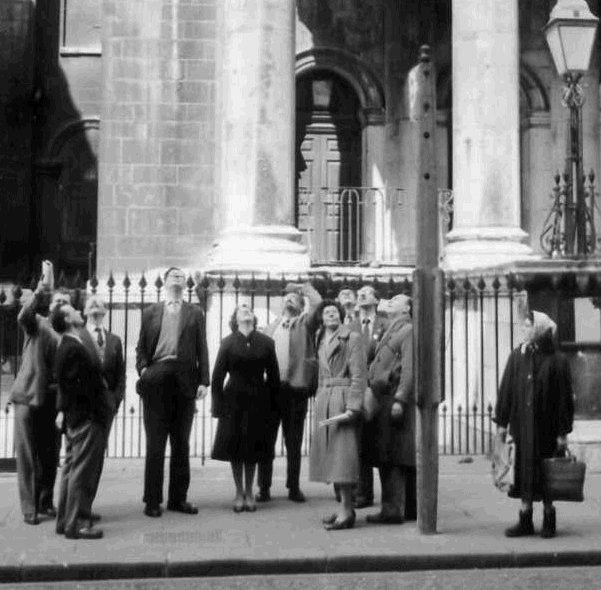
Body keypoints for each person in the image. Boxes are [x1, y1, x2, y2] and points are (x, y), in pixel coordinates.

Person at [135, 267, 210, 517]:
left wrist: (204, 381)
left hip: (185, 380)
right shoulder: (150, 312)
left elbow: (202, 347)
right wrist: (143, 370)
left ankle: (178, 499)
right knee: (155, 444)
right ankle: (152, 500)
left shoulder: (195, 312)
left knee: (181, 444)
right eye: (173, 275)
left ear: (184, 284)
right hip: (157, 377)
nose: (177, 278)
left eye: (181, 276)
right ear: (165, 282)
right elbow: (141, 347)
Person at [494, 310, 574, 539]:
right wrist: (502, 422)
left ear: (539, 329)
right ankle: (525, 518)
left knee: (548, 475)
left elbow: (564, 399)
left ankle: (549, 517)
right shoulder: (518, 356)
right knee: (524, 474)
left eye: (528, 326)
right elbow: (507, 390)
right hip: (523, 428)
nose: (524, 329)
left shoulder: (557, 360)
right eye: (524, 325)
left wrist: (563, 432)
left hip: (547, 429)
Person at [9, 271, 70, 525]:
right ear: (50, 304)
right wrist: (41, 290)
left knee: (50, 455)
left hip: (53, 401)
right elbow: (23, 316)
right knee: (27, 455)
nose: (61, 305)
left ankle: (45, 501)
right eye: (57, 301)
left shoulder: (70, 333)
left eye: (65, 302)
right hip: (28, 396)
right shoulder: (37, 323)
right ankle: (29, 507)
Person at [211, 304, 280, 512]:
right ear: (235, 319)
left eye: (248, 309)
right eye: (241, 310)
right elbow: (217, 377)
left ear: (254, 318)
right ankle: (238, 491)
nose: (246, 310)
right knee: (236, 447)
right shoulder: (227, 343)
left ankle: (250, 491)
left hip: (259, 399)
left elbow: (274, 377)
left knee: (253, 446)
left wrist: (273, 406)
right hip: (234, 400)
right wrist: (217, 406)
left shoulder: (266, 343)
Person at [257, 282, 321, 503]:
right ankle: (263, 487)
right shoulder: (270, 327)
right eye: (287, 298)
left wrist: (302, 287)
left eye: (294, 298)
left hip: (295, 390)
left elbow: (318, 303)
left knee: (293, 442)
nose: (289, 300)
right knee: (266, 441)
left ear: (301, 305)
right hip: (271, 390)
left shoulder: (305, 324)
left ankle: (293, 486)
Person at [52, 303, 111, 540]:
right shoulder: (73, 348)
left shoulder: (68, 345)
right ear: (68, 319)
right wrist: (97, 411)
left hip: (77, 416)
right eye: (72, 310)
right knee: (81, 472)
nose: (78, 311)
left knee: (72, 469)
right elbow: (84, 386)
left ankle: (64, 521)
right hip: (86, 417)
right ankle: (76, 524)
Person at [309, 299, 367, 531]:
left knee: (343, 459)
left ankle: (347, 511)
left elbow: (359, 375)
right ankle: (345, 507)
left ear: (341, 316)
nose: (331, 314)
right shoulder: (320, 338)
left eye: (335, 311)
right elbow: (321, 374)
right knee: (333, 459)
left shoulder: (352, 337)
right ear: (321, 318)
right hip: (325, 400)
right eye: (326, 312)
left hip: (342, 401)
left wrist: (353, 406)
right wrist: (319, 397)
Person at [365, 294, 415, 524]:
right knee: (387, 454)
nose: (391, 301)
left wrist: (401, 399)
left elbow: (409, 368)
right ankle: (400, 508)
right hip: (383, 396)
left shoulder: (407, 330)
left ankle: (393, 509)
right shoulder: (392, 328)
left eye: (397, 300)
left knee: (394, 456)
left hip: (392, 396)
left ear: (406, 308)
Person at [79, 295, 125, 518]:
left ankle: (86, 506)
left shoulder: (115, 341)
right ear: (84, 311)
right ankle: (77, 509)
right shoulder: (77, 337)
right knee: (81, 460)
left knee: (97, 459)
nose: (96, 307)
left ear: (105, 311)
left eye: (100, 305)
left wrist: (115, 401)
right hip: (84, 409)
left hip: (106, 408)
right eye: (91, 304)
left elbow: (121, 376)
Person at [350, 285, 389, 510]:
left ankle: (389, 497)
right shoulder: (350, 326)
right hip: (358, 391)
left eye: (366, 292)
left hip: (380, 392)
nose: (361, 295)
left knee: (383, 444)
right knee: (360, 444)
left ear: (376, 300)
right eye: (359, 294)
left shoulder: (386, 324)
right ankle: (363, 494)